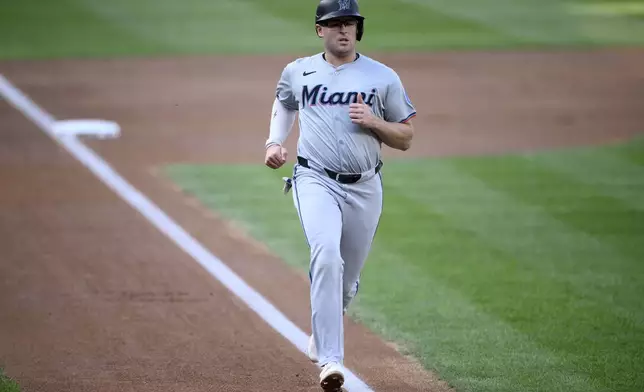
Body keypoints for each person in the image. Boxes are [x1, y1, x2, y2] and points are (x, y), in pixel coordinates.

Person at [264, 0, 416, 390]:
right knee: (326, 254)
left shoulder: (382, 77)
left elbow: (406, 137)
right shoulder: (299, 71)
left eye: (349, 23)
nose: (343, 30)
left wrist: (374, 122)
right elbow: (284, 103)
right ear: (320, 30)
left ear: (358, 29)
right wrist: (274, 143)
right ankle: (331, 361)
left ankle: (325, 322)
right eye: (335, 24)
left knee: (346, 281)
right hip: (314, 179)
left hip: (366, 186)